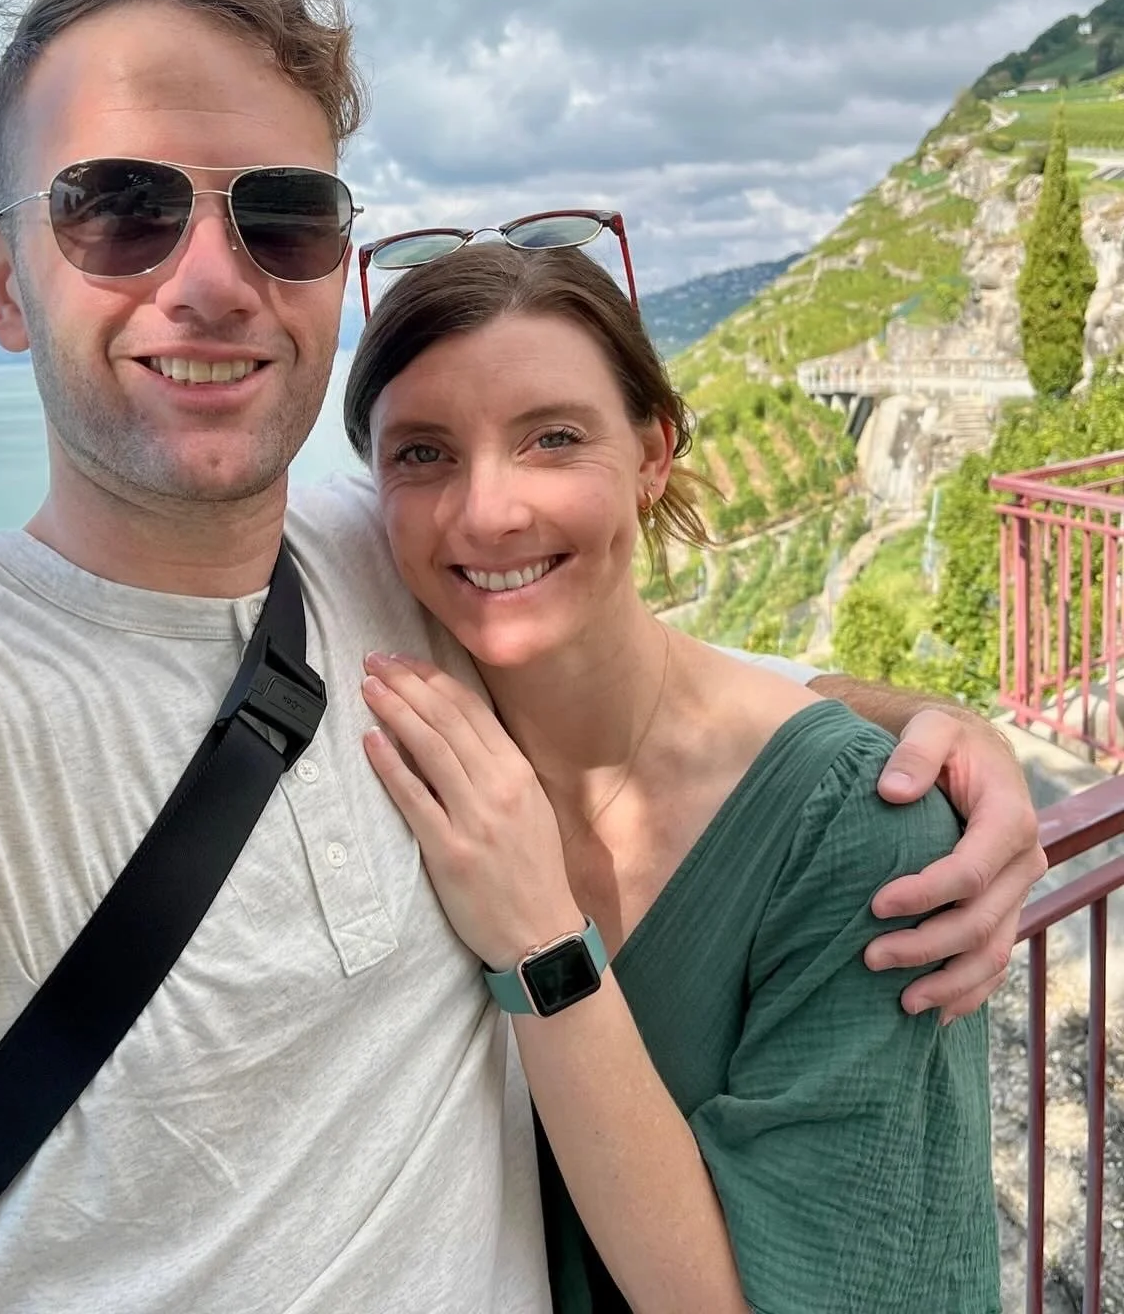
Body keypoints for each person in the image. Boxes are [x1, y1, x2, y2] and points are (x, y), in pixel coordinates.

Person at [0, 0, 1038, 1312]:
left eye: (280, 215)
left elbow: (624, 649)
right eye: (118, 206)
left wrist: (924, 729)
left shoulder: (380, 561)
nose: (210, 278)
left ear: (332, 269)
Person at [344, 241, 1001, 1311]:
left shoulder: (868, 836)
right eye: (422, 454)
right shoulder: (415, 739)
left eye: (553, 438)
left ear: (653, 453)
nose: (485, 512)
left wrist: (539, 947)